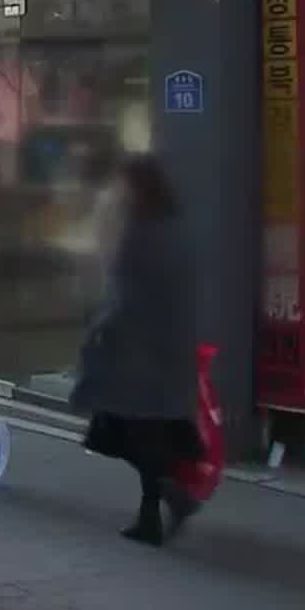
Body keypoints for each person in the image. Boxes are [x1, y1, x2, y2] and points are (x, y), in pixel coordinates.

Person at [71, 155, 202, 546]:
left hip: (137, 355)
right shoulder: (178, 229)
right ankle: (155, 512)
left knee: (128, 435)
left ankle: (173, 497)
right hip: (169, 350)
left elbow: (124, 298)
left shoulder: (141, 234)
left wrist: (97, 331)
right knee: (148, 435)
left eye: (127, 184)